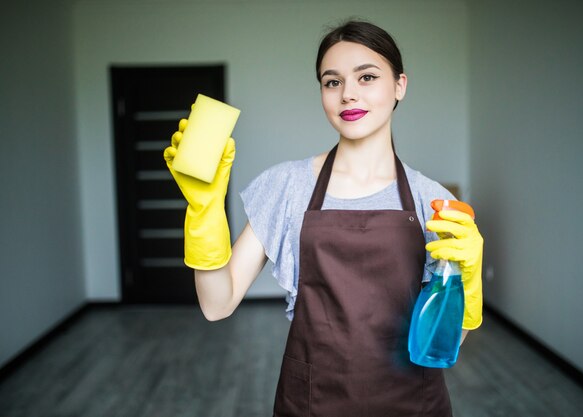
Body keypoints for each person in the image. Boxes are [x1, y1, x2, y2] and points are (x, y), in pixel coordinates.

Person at [164, 19, 483, 416]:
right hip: (313, 401)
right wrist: (203, 210)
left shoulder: (432, 200)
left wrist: (468, 286)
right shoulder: (287, 186)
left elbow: (448, 340)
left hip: (413, 403)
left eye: (366, 77)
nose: (348, 94)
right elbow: (217, 304)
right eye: (332, 82)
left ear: (400, 85)